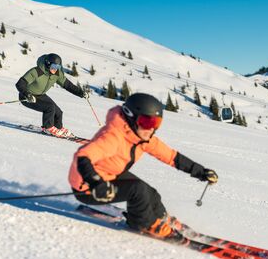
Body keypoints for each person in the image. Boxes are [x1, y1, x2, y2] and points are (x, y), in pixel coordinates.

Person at [68, 93, 218, 238]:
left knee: (150, 192)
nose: (151, 129)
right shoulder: (113, 136)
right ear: (131, 117)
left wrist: (201, 172)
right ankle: (148, 225)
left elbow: (171, 157)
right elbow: (82, 156)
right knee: (138, 191)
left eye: (156, 123)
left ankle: (162, 218)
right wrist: (96, 183)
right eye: (147, 122)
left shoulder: (141, 137)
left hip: (109, 173)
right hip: (88, 187)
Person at [15, 53, 88, 138]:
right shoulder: (36, 71)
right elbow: (20, 84)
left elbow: (68, 85)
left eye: (58, 67)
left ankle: (58, 128)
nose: (55, 69)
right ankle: (48, 128)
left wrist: (80, 93)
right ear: (47, 64)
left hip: (41, 95)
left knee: (58, 112)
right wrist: (27, 95)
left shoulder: (56, 74)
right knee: (49, 108)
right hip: (27, 96)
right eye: (53, 66)